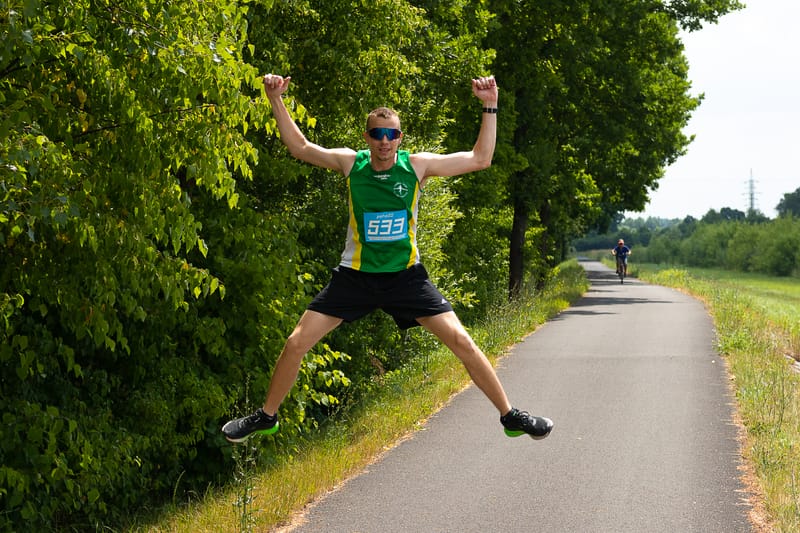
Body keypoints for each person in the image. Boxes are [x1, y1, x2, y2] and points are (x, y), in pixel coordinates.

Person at [222, 74, 553, 443]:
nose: (384, 142)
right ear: (367, 138)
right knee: (297, 342)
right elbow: (300, 147)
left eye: (391, 135)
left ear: (400, 138)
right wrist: (275, 99)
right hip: (355, 277)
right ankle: (266, 416)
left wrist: (490, 104)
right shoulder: (351, 164)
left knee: (462, 341)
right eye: (377, 135)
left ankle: (510, 416)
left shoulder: (416, 167)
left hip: (405, 278)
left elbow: (481, 158)